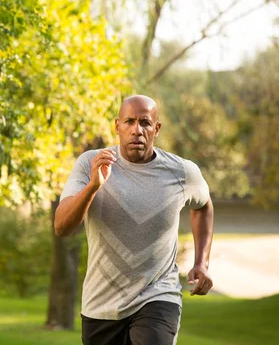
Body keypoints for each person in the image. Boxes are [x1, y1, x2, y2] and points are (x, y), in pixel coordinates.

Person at [55, 95, 214, 345]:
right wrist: (93, 186)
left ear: (156, 128)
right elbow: (62, 226)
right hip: (101, 305)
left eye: (145, 123)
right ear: (117, 126)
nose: (136, 130)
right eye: (129, 122)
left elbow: (203, 206)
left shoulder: (182, 172)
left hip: (158, 295)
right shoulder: (90, 164)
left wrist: (201, 262)